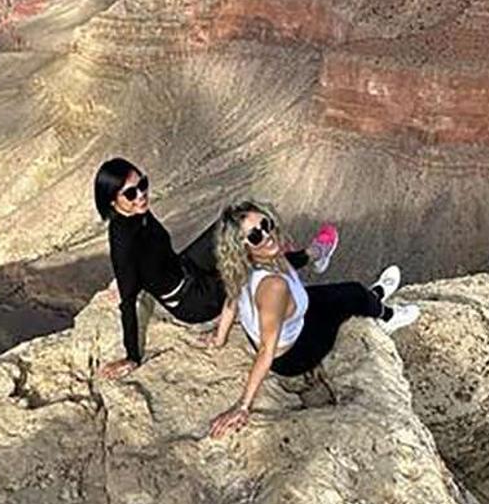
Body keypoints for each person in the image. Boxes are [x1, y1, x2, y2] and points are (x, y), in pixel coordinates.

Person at [94, 158, 338, 380]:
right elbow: (127, 302)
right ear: (113, 202)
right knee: (245, 258)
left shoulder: (138, 213)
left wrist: (128, 278)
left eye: (143, 184)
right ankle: (312, 254)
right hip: (191, 300)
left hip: (187, 267)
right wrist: (132, 357)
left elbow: (155, 257)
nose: (142, 195)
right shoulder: (123, 242)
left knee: (232, 224)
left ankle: (282, 254)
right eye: (131, 193)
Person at [206, 200, 418, 438]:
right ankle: (386, 315)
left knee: (338, 291)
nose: (267, 235)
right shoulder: (273, 288)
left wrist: (219, 338)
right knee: (352, 293)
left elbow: (231, 301)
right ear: (242, 247)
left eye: (266, 224)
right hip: (296, 354)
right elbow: (267, 348)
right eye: (255, 236)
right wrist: (242, 406)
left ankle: (361, 287)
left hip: (291, 317)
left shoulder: (242, 267)